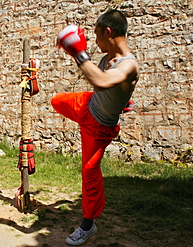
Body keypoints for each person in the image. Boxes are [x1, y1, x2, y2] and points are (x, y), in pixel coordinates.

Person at [52, 9, 139, 246]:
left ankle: (87, 225)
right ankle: (104, 106)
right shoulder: (108, 54)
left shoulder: (129, 65)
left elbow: (101, 81)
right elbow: (103, 84)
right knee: (56, 100)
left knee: (89, 173)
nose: (94, 40)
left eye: (97, 34)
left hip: (98, 128)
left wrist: (77, 52)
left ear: (108, 32)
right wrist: (119, 99)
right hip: (87, 105)